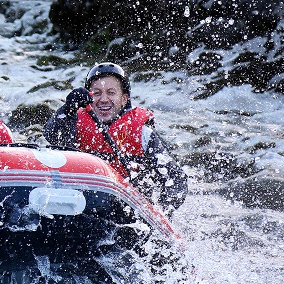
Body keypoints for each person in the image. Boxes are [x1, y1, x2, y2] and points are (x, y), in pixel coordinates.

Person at [44, 62, 187, 215]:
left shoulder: (143, 133)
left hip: (129, 213)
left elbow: (176, 179)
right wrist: (68, 108)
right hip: (85, 207)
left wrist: (163, 211)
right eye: (97, 93)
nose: (104, 99)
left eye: (111, 92)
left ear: (124, 99)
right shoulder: (75, 122)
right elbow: (51, 135)